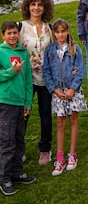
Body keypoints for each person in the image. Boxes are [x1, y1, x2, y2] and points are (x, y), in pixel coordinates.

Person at [43, 19, 87, 176]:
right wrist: (54, 89)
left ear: (67, 31)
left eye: (63, 31)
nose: (61, 34)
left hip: (72, 92)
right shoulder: (50, 51)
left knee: (73, 121)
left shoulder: (75, 49)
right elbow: (46, 71)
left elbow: (80, 70)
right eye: (57, 32)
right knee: (60, 123)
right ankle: (60, 158)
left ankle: (72, 154)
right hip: (58, 93)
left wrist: (73, 89)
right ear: (54, 34)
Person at [0, 21, 36, 196]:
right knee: (7, 141)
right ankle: (4, 178)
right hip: (5, 103)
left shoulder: (23, 53)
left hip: (20, 104)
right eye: (9, 33)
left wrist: (27, 103)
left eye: (15, 32)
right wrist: (11, 72)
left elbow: (28, 80)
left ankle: (16, 172)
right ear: (3, 35)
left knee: (19, 138)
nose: (13, 36)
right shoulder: (1, 52)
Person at [19, 0, 54, 165]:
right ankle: (19, 149)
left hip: (45, 79)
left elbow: (55, 52)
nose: (36, 8)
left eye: (40, 4)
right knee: (22, 114)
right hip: (25, 79)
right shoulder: (20, 27)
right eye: (33, 4)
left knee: (45, 114)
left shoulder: (50, 28)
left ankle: (45, 149)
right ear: (28, 6)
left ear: (44, 7)